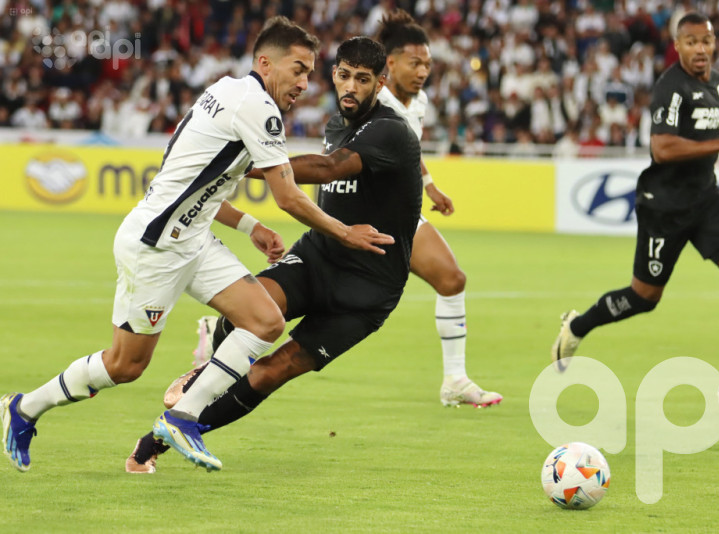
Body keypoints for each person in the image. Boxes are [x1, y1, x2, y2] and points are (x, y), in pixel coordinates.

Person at [0, 17, 393, 473]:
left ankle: (182, 417)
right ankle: (23, 407)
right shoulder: (258, 108)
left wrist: (250, 226)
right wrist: (344, 232)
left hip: (192, 240)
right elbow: (287, 195)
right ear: (266, 63)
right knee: (124, 366)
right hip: (156, 247)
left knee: (265, 320)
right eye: (298, 70)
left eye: (308, 72)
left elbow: (200, 183)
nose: (305, 84)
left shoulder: (225, 90)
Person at [125, 35, 422, 473]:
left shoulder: (391, 130)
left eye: (363, 79)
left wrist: (248, 162)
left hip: (367, 291)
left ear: (380, 83)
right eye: (344, 76)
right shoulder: (338, 123)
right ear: (333, 74)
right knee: (250, 310)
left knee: (270, 371)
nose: (351, 87)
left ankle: (157, 441)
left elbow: (328, 168)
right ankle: (205, 371)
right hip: (318, 257)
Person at [551, 12, 719, 408]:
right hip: (664, 207)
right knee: (644, 297)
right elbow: (662, 148)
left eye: (706, 41)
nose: (700, 49)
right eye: (691, 42)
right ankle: (578, 325)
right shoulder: (671, 87)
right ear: (678, 45)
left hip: (705, 200)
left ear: (714, 43)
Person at [374, 10, 502, 407]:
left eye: (427, 64)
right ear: (391, 62)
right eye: (415, 62)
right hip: (363, 213)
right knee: (329, 300)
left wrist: (429, 185)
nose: (423, 71)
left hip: (402, 213)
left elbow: (410, 149)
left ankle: (455, 380)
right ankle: (226, 326)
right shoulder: (373, 100)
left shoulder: (419, 101)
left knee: (452, 279)